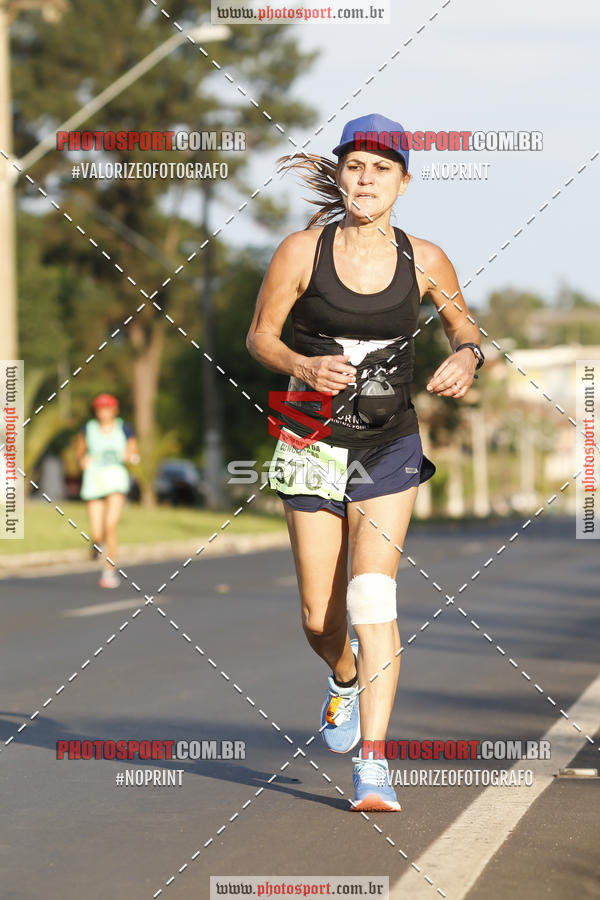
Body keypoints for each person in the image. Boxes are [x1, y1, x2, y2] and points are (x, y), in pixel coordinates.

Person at [246, 113, 484, 811]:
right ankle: (343, 677)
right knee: (320, 616)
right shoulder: (300, 251)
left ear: (404, 183)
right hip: (308, 433)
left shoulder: (427, 259)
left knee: (370, 595)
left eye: (382, 170)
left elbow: (462, 323)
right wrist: (298, 362)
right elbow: (260, 336)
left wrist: (467, 353)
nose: (366, 179)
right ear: (342, 174)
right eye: (355, 166)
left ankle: (374, 764)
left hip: (388, 442)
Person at [76, 393, 140, 589]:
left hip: (116, 480)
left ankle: (109, 571)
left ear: (114, 410)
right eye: (100, 408)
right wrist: (82, 461)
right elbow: (80, 452)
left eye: (107, 408)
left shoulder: (125, 428)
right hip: (94, 480)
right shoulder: (88, 428)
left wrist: (130, 456)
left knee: (110, 526)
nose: (103, 412)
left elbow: (133, 451)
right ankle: (96, 544)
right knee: (97, 532)